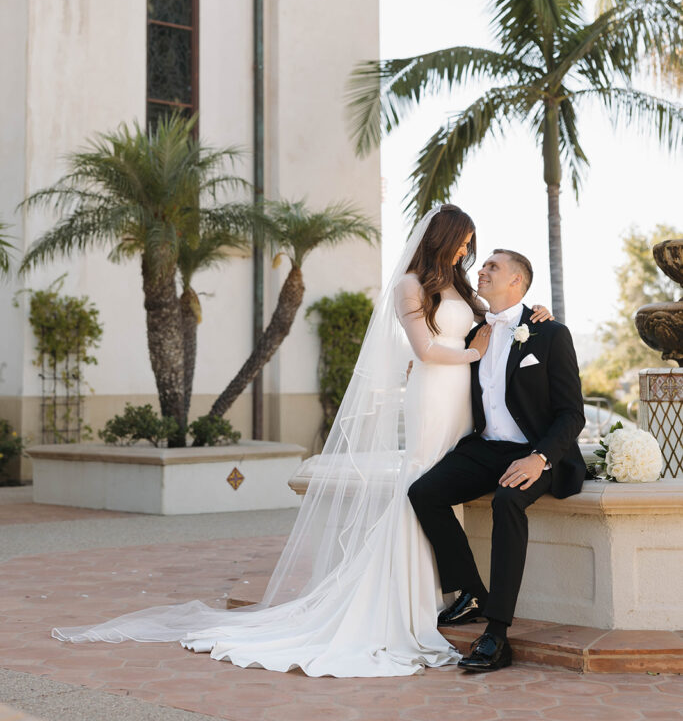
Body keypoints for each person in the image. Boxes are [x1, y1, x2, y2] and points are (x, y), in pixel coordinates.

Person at [53, 206, 551, 678]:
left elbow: (504, 317)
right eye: (465, 242)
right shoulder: (408, 286)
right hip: (433, 394)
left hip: (462, 403)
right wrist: (472, 352)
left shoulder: (463, 289)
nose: (469, 253)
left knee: (439, 485)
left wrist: (538, 315)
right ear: (445, 238)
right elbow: (424, 350)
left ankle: (458, 590)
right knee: (421, 482)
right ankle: (415, 596)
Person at [408, 248, 585, 674]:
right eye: (482, 264)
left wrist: (540, 457)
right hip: (485, 448)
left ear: (517, 283)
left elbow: (571, 413)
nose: (482, 270)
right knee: (424, 492)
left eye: (493, 267)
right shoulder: (474, 335)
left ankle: (497, 633)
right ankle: (471, 593)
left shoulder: (550, 332)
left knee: (508, 501)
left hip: (535, 450)